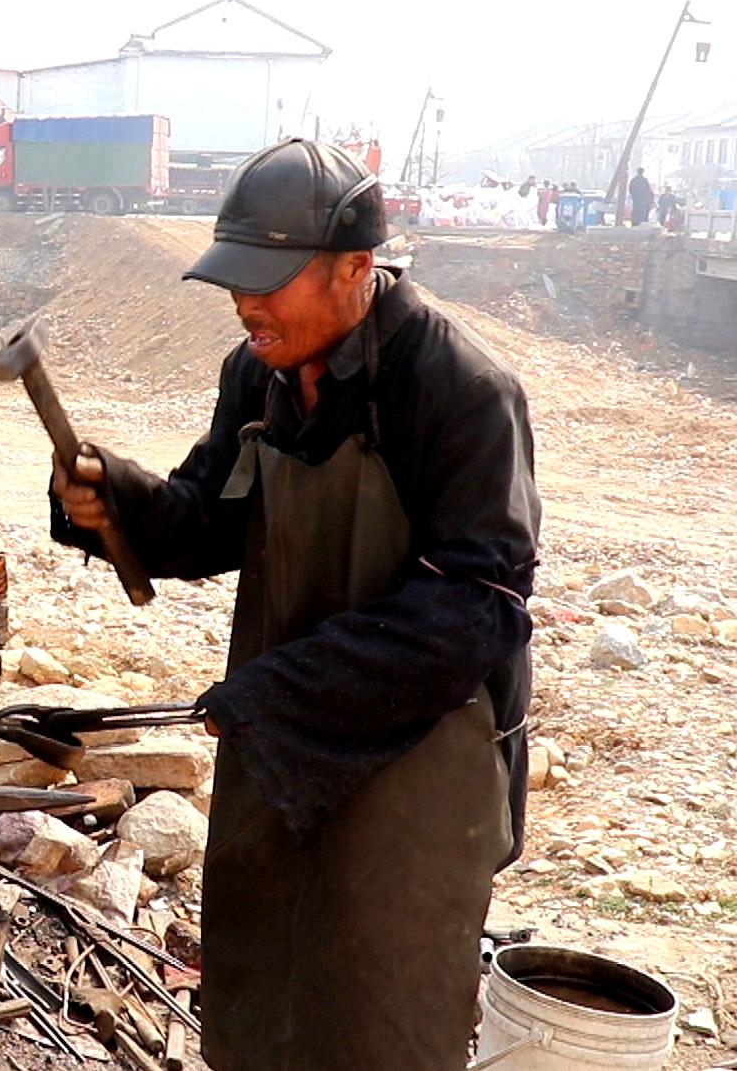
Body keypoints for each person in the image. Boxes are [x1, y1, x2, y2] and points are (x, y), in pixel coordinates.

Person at [49, 138, 538, 1070]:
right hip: (282, 748)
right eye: (236, 280)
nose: (246, 303)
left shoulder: (462, 393)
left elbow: (474, 612)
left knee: (379, 1018)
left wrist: (282, 687)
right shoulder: (261, 373)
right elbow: (208, 518)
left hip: (417, 766)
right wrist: (115, 502)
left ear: (359, 268)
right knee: (259, 996)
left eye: (270, 281)